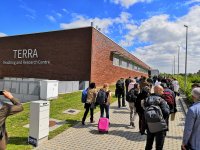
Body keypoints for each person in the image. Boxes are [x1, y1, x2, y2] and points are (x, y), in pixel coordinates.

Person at [145, 85, 170, 150]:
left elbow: (144, 112)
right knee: (159, 145)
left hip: (150, 125)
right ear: (158, 91)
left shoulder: (147, 99)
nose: (163, 92)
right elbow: (166, 112)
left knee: (149, 144)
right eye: (162, 90)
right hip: (160, 126)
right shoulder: (162, 100)